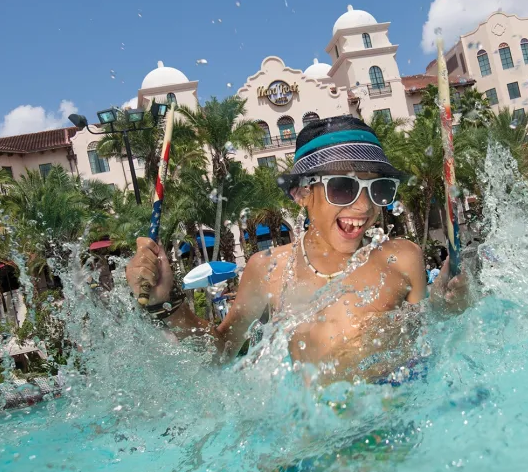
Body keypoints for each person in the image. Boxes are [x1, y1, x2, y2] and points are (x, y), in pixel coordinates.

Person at [126, 116, 469, 384]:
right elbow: (221, 353)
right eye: (342, 187)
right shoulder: (269, 270)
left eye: (378, 188)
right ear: (301, 193)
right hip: (315, 441)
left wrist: (448, 308)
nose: (363, 207)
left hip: (393, 420)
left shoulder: (402, 257)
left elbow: (429, 341)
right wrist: (167, 304)